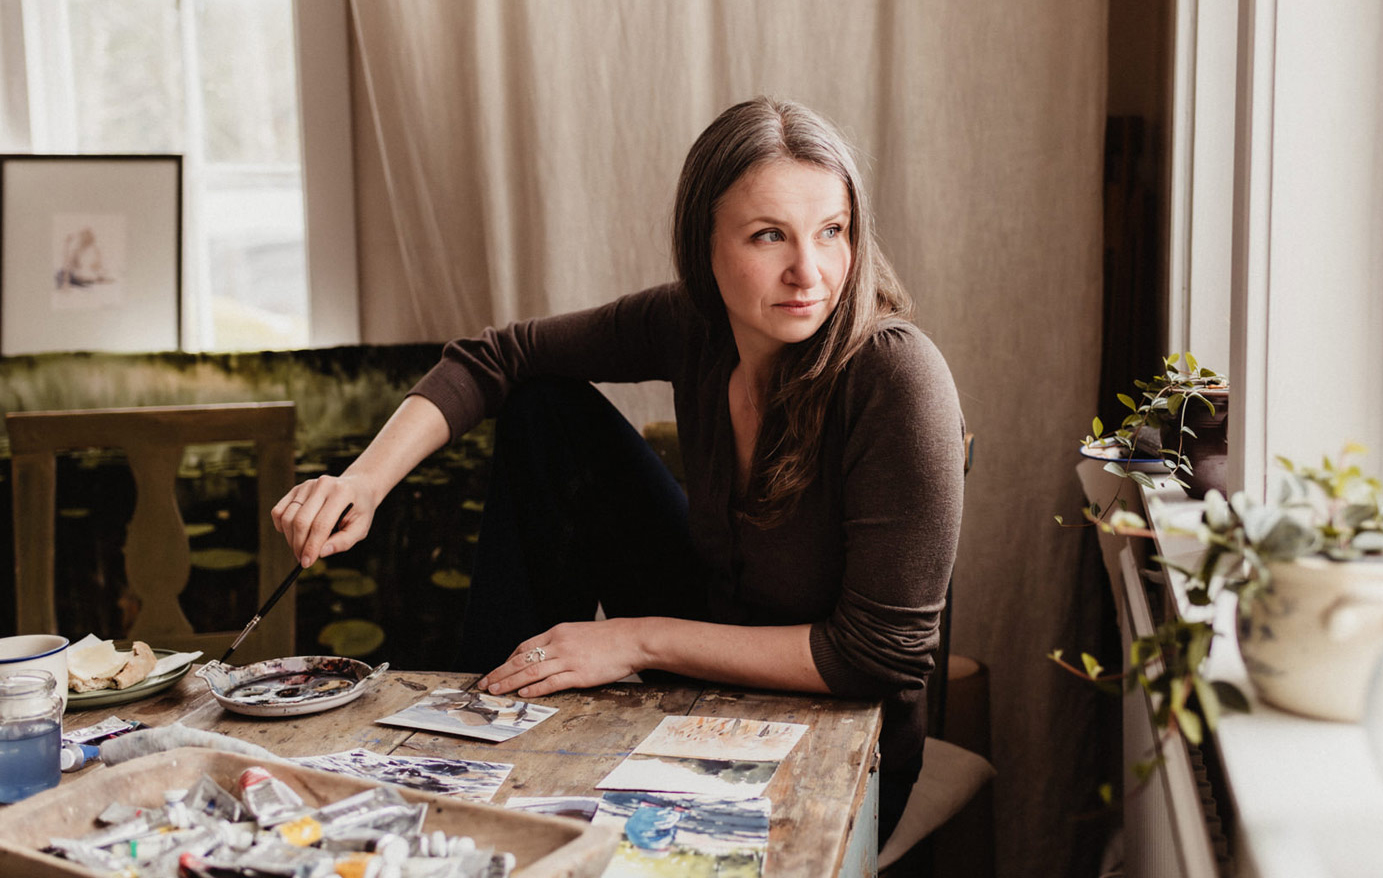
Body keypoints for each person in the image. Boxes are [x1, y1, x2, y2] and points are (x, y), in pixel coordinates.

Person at [271, 96, 965, 843]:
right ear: (704, 245)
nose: (809, 271)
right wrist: (363, 483)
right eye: (769, 235)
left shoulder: (897, 378)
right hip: (709, 648)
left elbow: (876, 656)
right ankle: (488, 719)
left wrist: (632, 640)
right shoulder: (695, 326)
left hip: (841, 735)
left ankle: (511, 718)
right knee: (543, 406)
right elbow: (498, 356)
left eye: (832, 232)